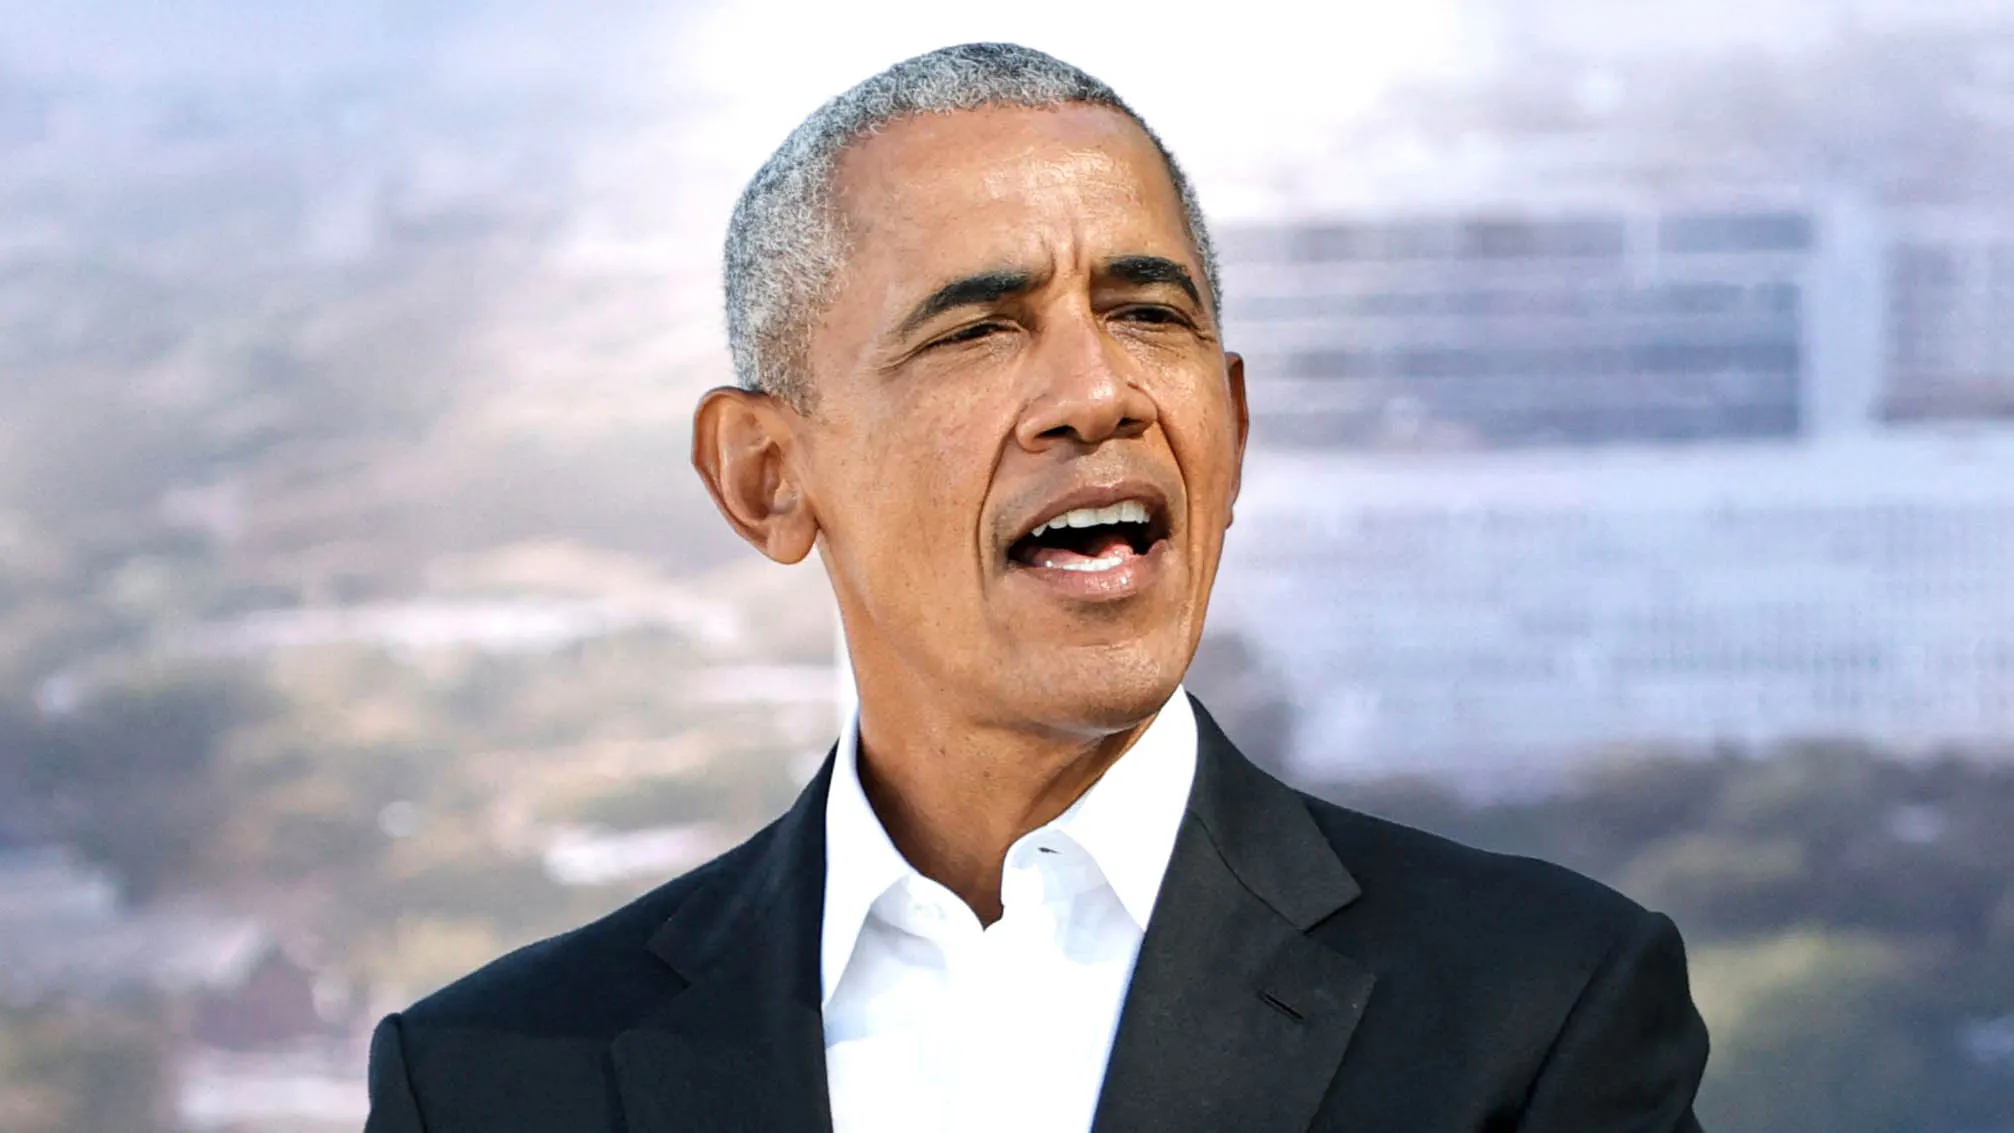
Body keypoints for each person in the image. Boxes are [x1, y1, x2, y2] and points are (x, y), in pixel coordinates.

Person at [363, 42, 1709, 1133]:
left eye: (1148, 315)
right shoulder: (492, 1081)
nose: (1097, 392)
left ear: (1233, 427)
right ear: (765, 476)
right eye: (979, 329)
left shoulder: (1535, 1010)